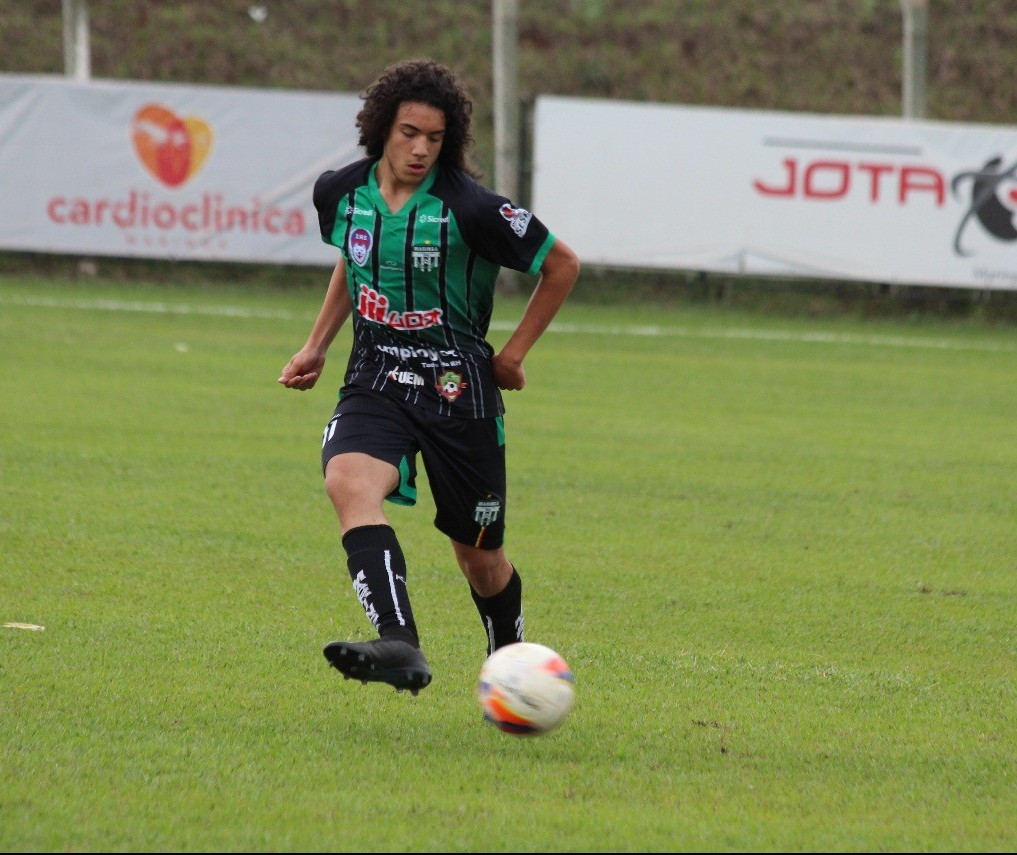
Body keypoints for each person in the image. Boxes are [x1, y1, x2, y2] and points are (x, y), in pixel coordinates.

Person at [278, 59, 580, 696]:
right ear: (382, 128)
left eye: (434, 139)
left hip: (460, 394)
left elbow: (561, 264)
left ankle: (509, 658)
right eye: (409, 133)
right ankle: (399, 643)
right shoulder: (340, 191)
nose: (420, 149)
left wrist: (513, 356)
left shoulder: (471, 208)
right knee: (348, 481)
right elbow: (354, 259)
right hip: (377, 377)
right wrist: (316, 344)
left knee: (479, 557)